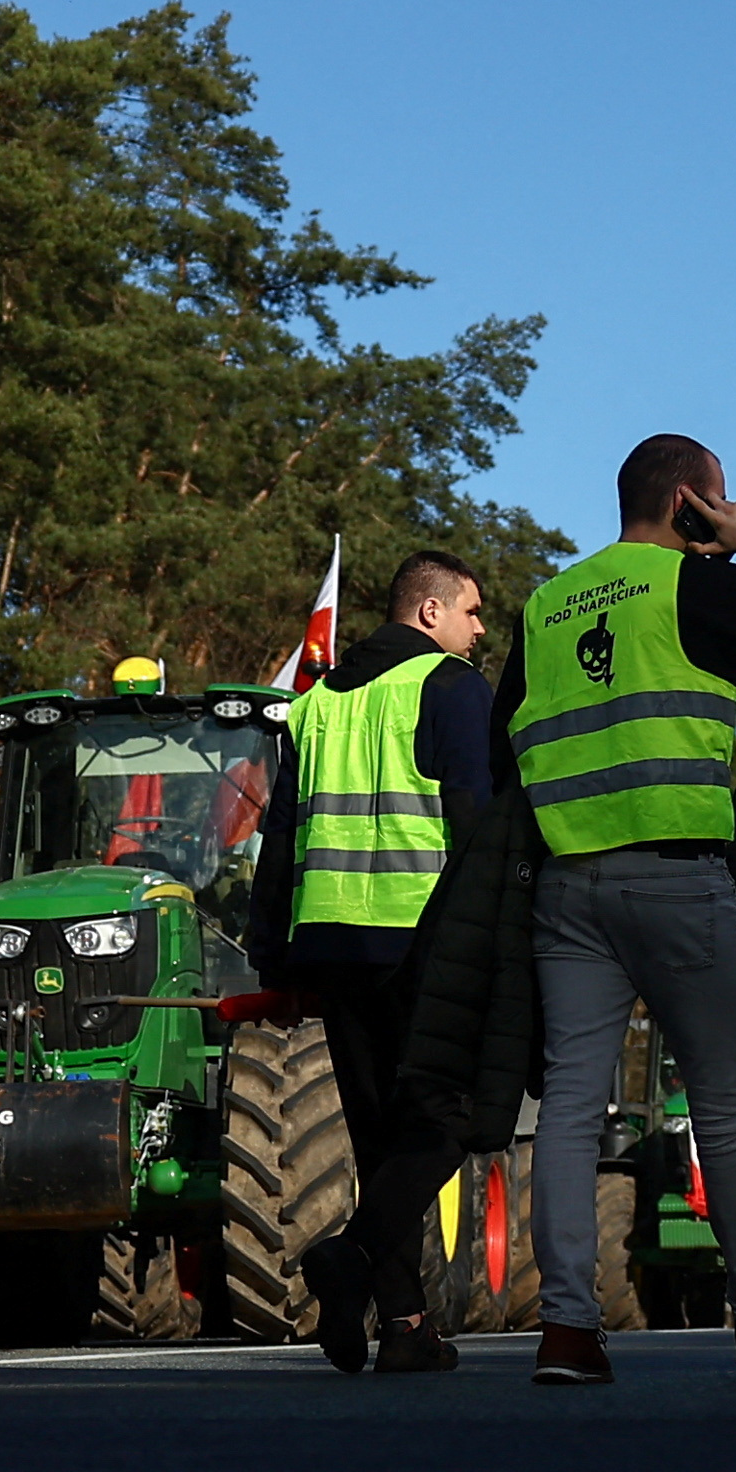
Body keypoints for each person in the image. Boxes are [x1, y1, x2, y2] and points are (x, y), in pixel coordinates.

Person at [502, 433, 736, 1385]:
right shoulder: (691, 585)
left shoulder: (545, 605)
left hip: (567, 884)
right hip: (675, 873)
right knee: (723, 1098)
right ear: (690, 505)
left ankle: (567, 1329)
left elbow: (507, 730)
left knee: (571, 1108)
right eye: (717, 501)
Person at [272, 552, 502, 1377]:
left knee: (380, 1135)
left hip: (332, 945)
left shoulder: (316, 703)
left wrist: (277, 958)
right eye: (472, 612)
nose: (480, 629)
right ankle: (354, 1256)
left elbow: (280, 841)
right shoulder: (452, 689)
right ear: (430, 611)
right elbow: (476, 830)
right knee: (455, 1117)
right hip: (425, 945)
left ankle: (405, 1324)